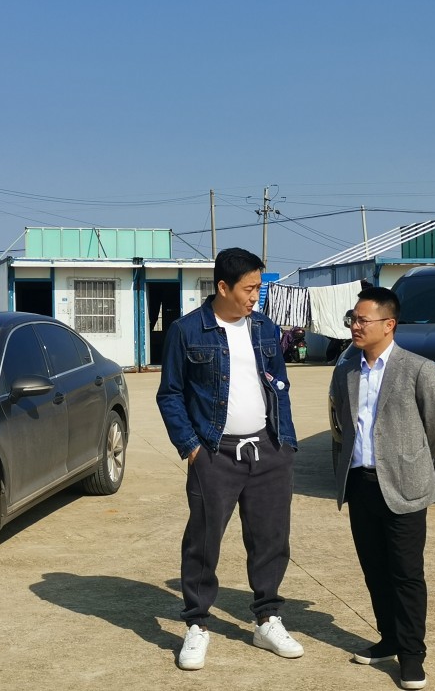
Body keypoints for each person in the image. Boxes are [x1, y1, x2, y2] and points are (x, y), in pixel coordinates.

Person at [156, 247, 302, 671]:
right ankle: (197, 624)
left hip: (268, 450)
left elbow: (280, 386)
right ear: (223, 287)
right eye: (249, 288)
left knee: (271, 539)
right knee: (203, 541)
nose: (256, 296)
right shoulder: (187, 331)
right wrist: (191, 447)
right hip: (214, 453)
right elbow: (170, 394)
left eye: (258, 288)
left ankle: (267, 620)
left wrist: (286, 444)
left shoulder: (265, 328)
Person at [330, 286, 435, 690]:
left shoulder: (418, 369)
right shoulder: (346, 370)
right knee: (374, 569)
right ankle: (389, 638)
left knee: (406, 573)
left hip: (404, 485)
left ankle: (412, 655)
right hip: (360, 484)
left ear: (389, 324)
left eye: (362, 320)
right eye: (353, 319)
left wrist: (409, 460)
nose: (355, 326)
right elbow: (343, 423)